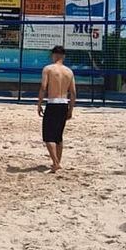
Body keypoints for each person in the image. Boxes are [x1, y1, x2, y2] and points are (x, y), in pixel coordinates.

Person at [38, 45, 76, 174]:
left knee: (49, 136)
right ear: (64, 56)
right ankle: (57, 162)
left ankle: (55, 163)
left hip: (53, 102)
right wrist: (71, 109)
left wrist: (39, 103)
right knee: (58, 136)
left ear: (53, 55)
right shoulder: (69, 72)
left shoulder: (48, 69)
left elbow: (43, 87)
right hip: (64, 103)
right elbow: (73, 92)